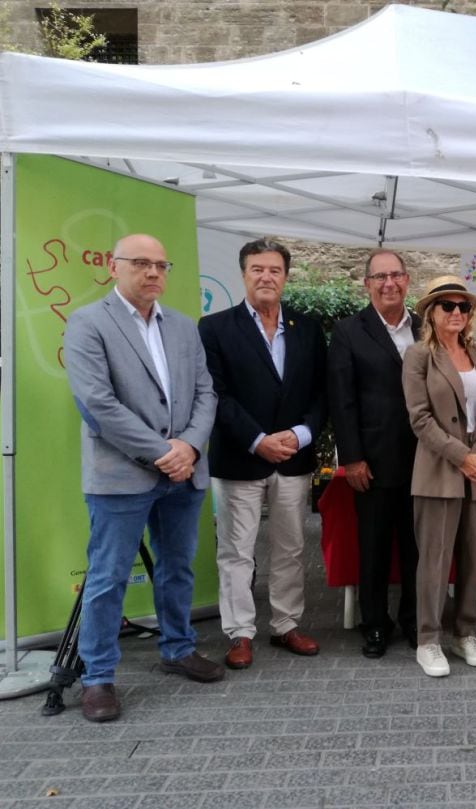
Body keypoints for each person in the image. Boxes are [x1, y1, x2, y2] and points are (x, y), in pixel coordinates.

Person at [63, 233, 222, 722]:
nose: (153, 272)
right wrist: (163, 452)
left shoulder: (184, 326)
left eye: (160, 264)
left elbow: (206, 393)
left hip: (184, 472)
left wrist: (189, 446)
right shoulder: (88, 322)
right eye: (140, 263)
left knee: (177, 568)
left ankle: (178, 648)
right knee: (108, 577)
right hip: (121, 475)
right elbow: (97, 403)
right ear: (114, 267)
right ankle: (97, 677)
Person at [198, 238, 327, 669]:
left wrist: (301, 434)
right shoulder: (214, 328)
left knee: (291, 546)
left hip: (293, 456)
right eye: (258, 269)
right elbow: (216, 394)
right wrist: (257, 440)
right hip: (240, 457)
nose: (266, 276)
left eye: (275, 269)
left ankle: (286, 625)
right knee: (237, 551)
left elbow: (322, 391)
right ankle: (239, 632)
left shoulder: (307, 329)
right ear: (244, 274)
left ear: (286, 276)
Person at [403, 275, 476, 677]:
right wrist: (461, 456)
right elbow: (419, 418)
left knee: (473, 557)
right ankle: (428, 640)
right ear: (431, 312)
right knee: (435, 559)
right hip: (439, 470)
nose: (457, 312)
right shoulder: (418, 356)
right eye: (448, 305)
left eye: (464, 306)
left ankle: (465, 633)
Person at [327, 250, 421, 658]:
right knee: (374, 548)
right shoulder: (348, 331)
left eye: (396, 275)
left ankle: (415, 621)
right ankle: (375, 624)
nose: (389, 283)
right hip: (373, 461)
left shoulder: (425, 327)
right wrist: (351, 457)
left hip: (423, 460)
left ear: (407, 280)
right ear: (367, 284)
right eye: (380, 277)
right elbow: (341, 399)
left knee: (418, 548)